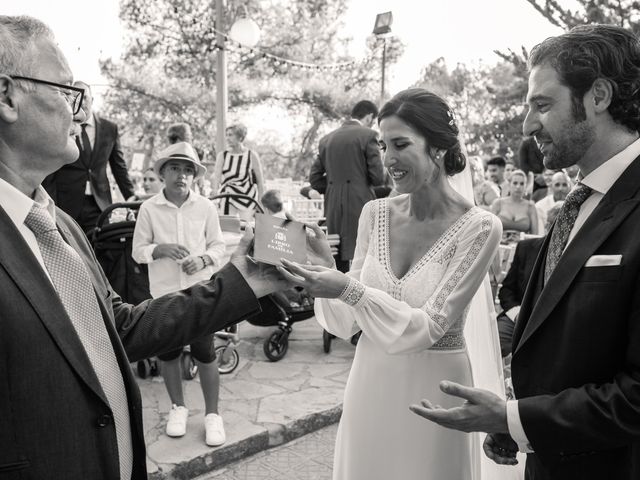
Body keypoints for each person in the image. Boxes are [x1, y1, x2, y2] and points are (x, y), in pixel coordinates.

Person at [0, 15, 292, 479]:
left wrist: (247, 279)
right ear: (7, 96)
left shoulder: (63, 226)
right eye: (66, 90)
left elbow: (120, 327)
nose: (81, 112)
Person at [410, 24, 640, 480]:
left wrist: (513, 419)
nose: (527, 125)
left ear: (598, 96)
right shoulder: (581, 201)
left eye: (542, 104)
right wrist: (519, 424)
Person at [279, 89, 504, 480]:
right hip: (371, 376)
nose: (388, 160)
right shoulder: (374, 213)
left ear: (438, 149)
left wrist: (347, 289)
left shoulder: (480, 227)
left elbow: (429, 326)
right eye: (383, 145)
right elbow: (347, 322)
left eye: (401, 145)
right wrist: (325, 268)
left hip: (436, 384)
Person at [132, 142, 228, 447]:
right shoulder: (148, 208)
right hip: (164, 293)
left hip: (199, 290)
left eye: (188, 170)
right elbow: (137, 252)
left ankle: (212, 415)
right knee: (169, 353)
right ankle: (178, 407)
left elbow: (219, 246)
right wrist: (158, 249)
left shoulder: (206, 207)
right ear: (163, 173)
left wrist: (203, 259)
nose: (182, 175)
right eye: (175, 168)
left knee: (205, 351)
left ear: (195, 176)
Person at [43, 80, 135, 235]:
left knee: (98, 249)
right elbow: (53, 166)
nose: (81, 101)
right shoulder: (63, 126)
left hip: (100, 204)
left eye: (85, 97)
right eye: (76, 97)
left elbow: (118, 166)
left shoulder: (110, 128)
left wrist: (131, 196)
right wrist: (51, 202)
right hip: (67, 203)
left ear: (92, 100)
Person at [308, 99, 386, 273]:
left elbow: (314, 178)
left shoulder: (326, 140)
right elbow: (378, 178)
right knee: (366, 252)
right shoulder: (368, 135)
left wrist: (332, 186)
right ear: (370, 117)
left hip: (333, 203)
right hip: (360, 201)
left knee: (337, 252)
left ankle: (338, 293)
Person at [496, 203, 561, 357]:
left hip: (554, 324)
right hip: (519, 317)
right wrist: (518, 314)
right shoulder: (525, 248)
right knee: (494, 341)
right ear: (547, 225)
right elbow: (506, 291)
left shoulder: (574, 254)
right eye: (555, 224)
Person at [211, 123, 265, 222]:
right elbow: (217, 176)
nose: (227, 138)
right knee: (228, 227)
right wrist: (214, 190)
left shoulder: (251, 155)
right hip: (228, 196)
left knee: (246, 228)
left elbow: (260, 181)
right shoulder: (223, 155)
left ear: (240, 137)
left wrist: (260, 202)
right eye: (226, 135)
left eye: (231, 135)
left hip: (247, 197)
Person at [491, 169, 539, 237]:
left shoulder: (530, 206)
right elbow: (490, 230)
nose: (518, 187)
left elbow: (535, 236)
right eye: (515, 183)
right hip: (500, 244)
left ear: (525, 186)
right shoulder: (498, 203)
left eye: (522, 184)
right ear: (509, 185)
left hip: (522, 245)